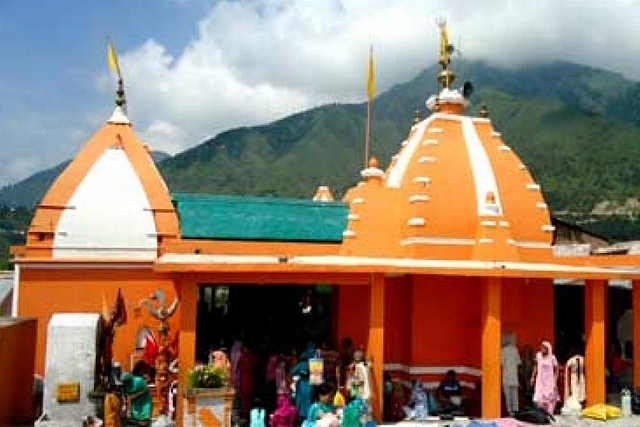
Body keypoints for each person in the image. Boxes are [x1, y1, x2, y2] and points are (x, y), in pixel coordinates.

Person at [530, 341, 559, 415]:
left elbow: (556, 368)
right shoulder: (538, 355)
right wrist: (533, 376)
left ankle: (549, 413)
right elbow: (535, 366)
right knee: (539, 397)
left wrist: (555, 379)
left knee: (549, 396)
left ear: (547, 349)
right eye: (541, 347)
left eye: (544, 348)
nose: (542, 349)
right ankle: (542, 413)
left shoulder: (552, 357)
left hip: (549, 380)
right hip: (540, 379)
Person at [501, 334, 522, 416]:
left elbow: (501, 363)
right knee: (515, 394)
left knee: (508, 395)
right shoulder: (515, 350)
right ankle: (516, 410)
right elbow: (519, 362)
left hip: (506, 376)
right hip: (514, 376)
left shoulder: (503, 350)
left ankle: (510, 411)